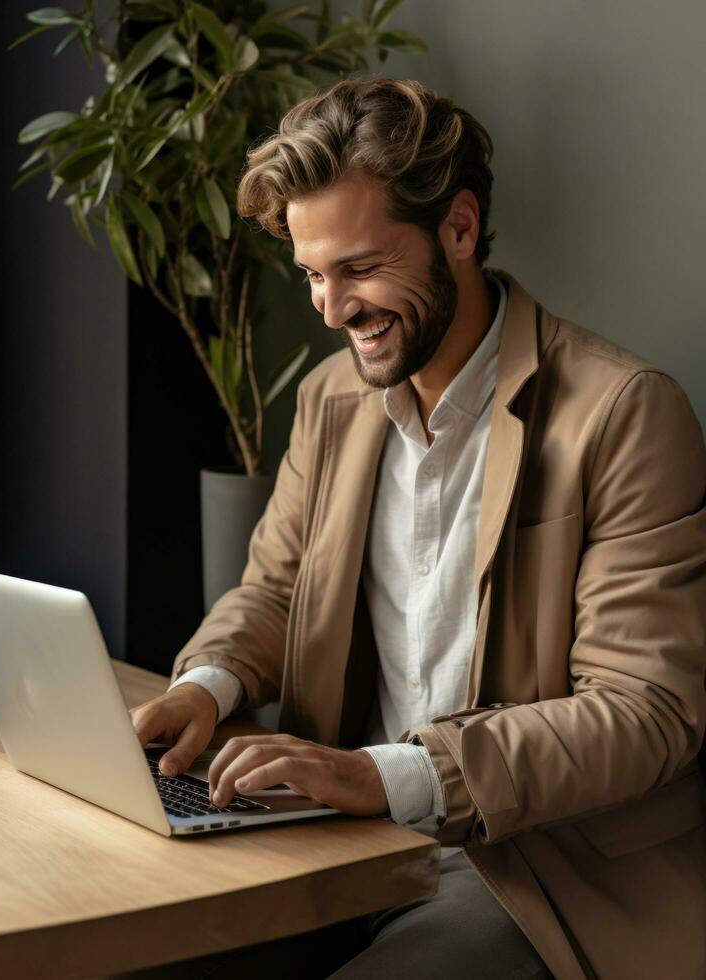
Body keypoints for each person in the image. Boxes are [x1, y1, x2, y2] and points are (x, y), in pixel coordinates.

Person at [130, 78, 706, 979]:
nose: (331, 309)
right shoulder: (330, 402)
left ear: (461, 229)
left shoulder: (624, 413)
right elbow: (276, 590)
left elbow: (647, 713)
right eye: (313, 275)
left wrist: (386, 774)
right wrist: (206, 687)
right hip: (336, 843)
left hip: (536, 867)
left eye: (357, 268)